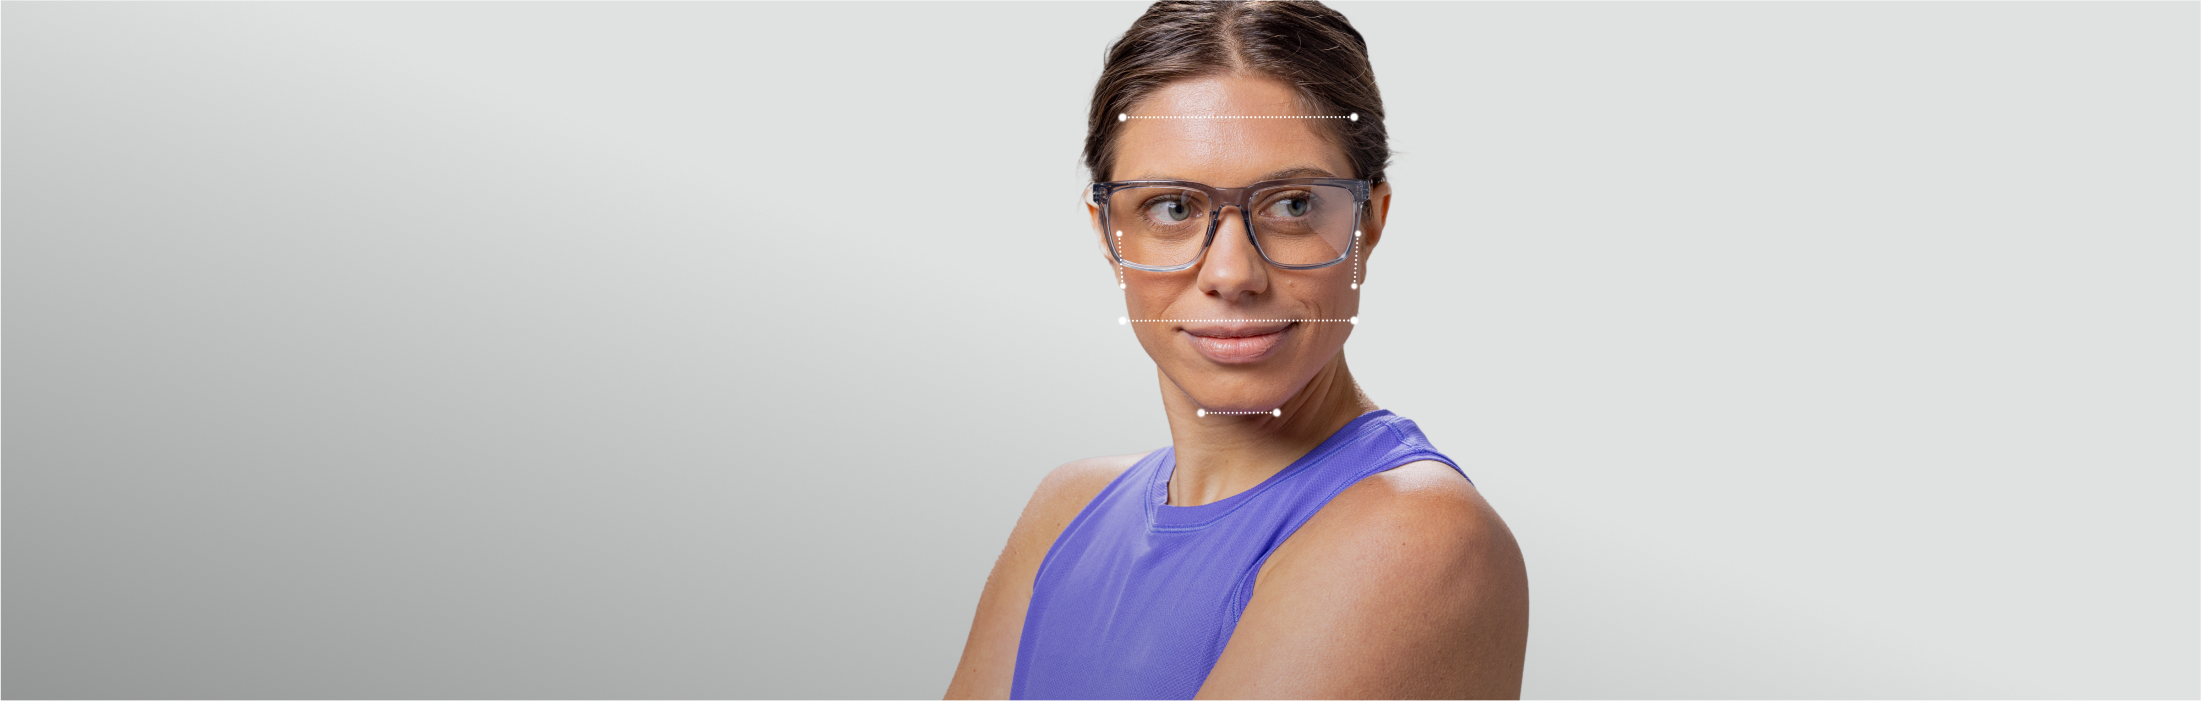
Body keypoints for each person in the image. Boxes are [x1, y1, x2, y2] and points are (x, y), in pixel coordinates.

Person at [945, 2, 1528, 698]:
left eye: (1291, 205)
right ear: (1108, 233)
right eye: (1172, 207)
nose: (1231, 274)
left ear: (1368, 224)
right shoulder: (1066, 509)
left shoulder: (1418, 534)